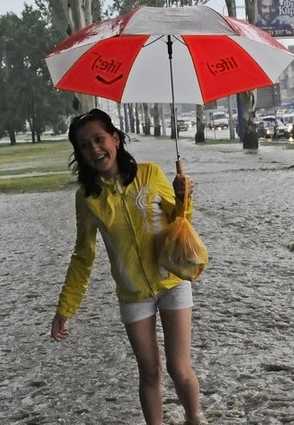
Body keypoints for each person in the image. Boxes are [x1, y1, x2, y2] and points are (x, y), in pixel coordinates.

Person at [50, 109, 204, 425]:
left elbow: (181, 225)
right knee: (150, 371)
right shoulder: (88, 199)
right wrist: (65, 308)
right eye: (85, 144)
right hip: (133, 294)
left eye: (99, 139)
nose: (94, 148)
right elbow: (83, 256)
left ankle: (194, 417)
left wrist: (182, 198)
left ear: (115, 139)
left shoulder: (149, 174)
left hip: (172, 281)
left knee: (179, 368)